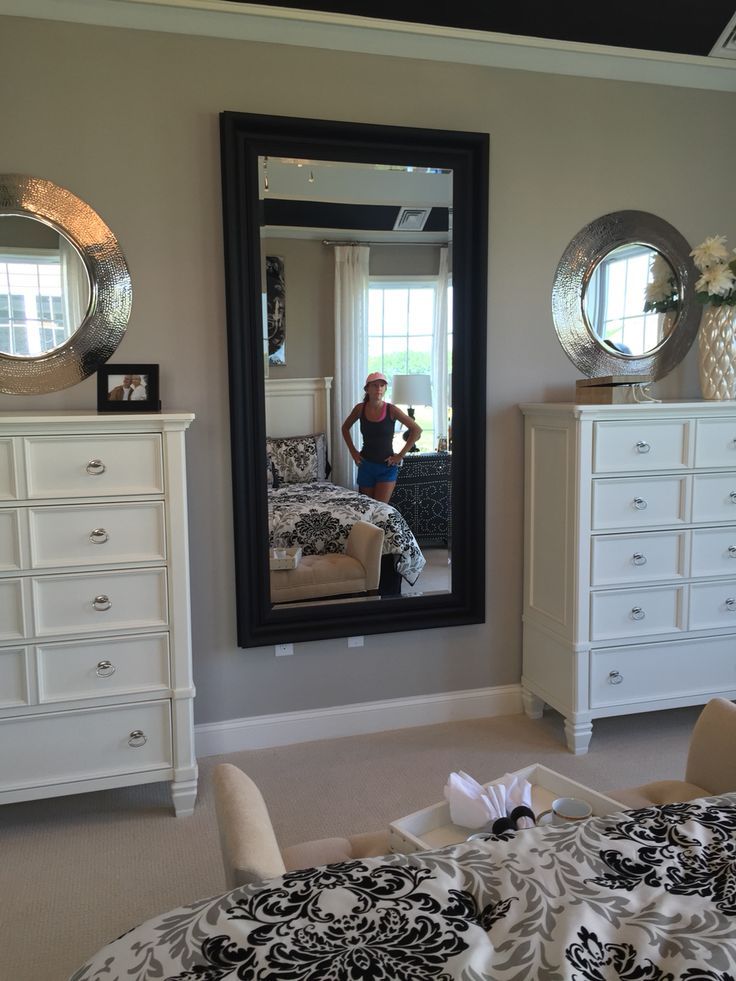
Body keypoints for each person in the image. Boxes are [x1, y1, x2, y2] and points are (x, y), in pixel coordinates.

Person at [341, 371, 422, 504]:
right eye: (375, 385)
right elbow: (344, 428)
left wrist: (400, 456)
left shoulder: (391, 410)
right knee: (368, 508)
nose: (379, 388)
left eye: (382, 385)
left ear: (385, 389)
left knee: (380, 510)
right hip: (365, 465)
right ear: (367, 389)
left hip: (386, 467)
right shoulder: (360, 409)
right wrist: (353, 452)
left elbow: (416, 430)